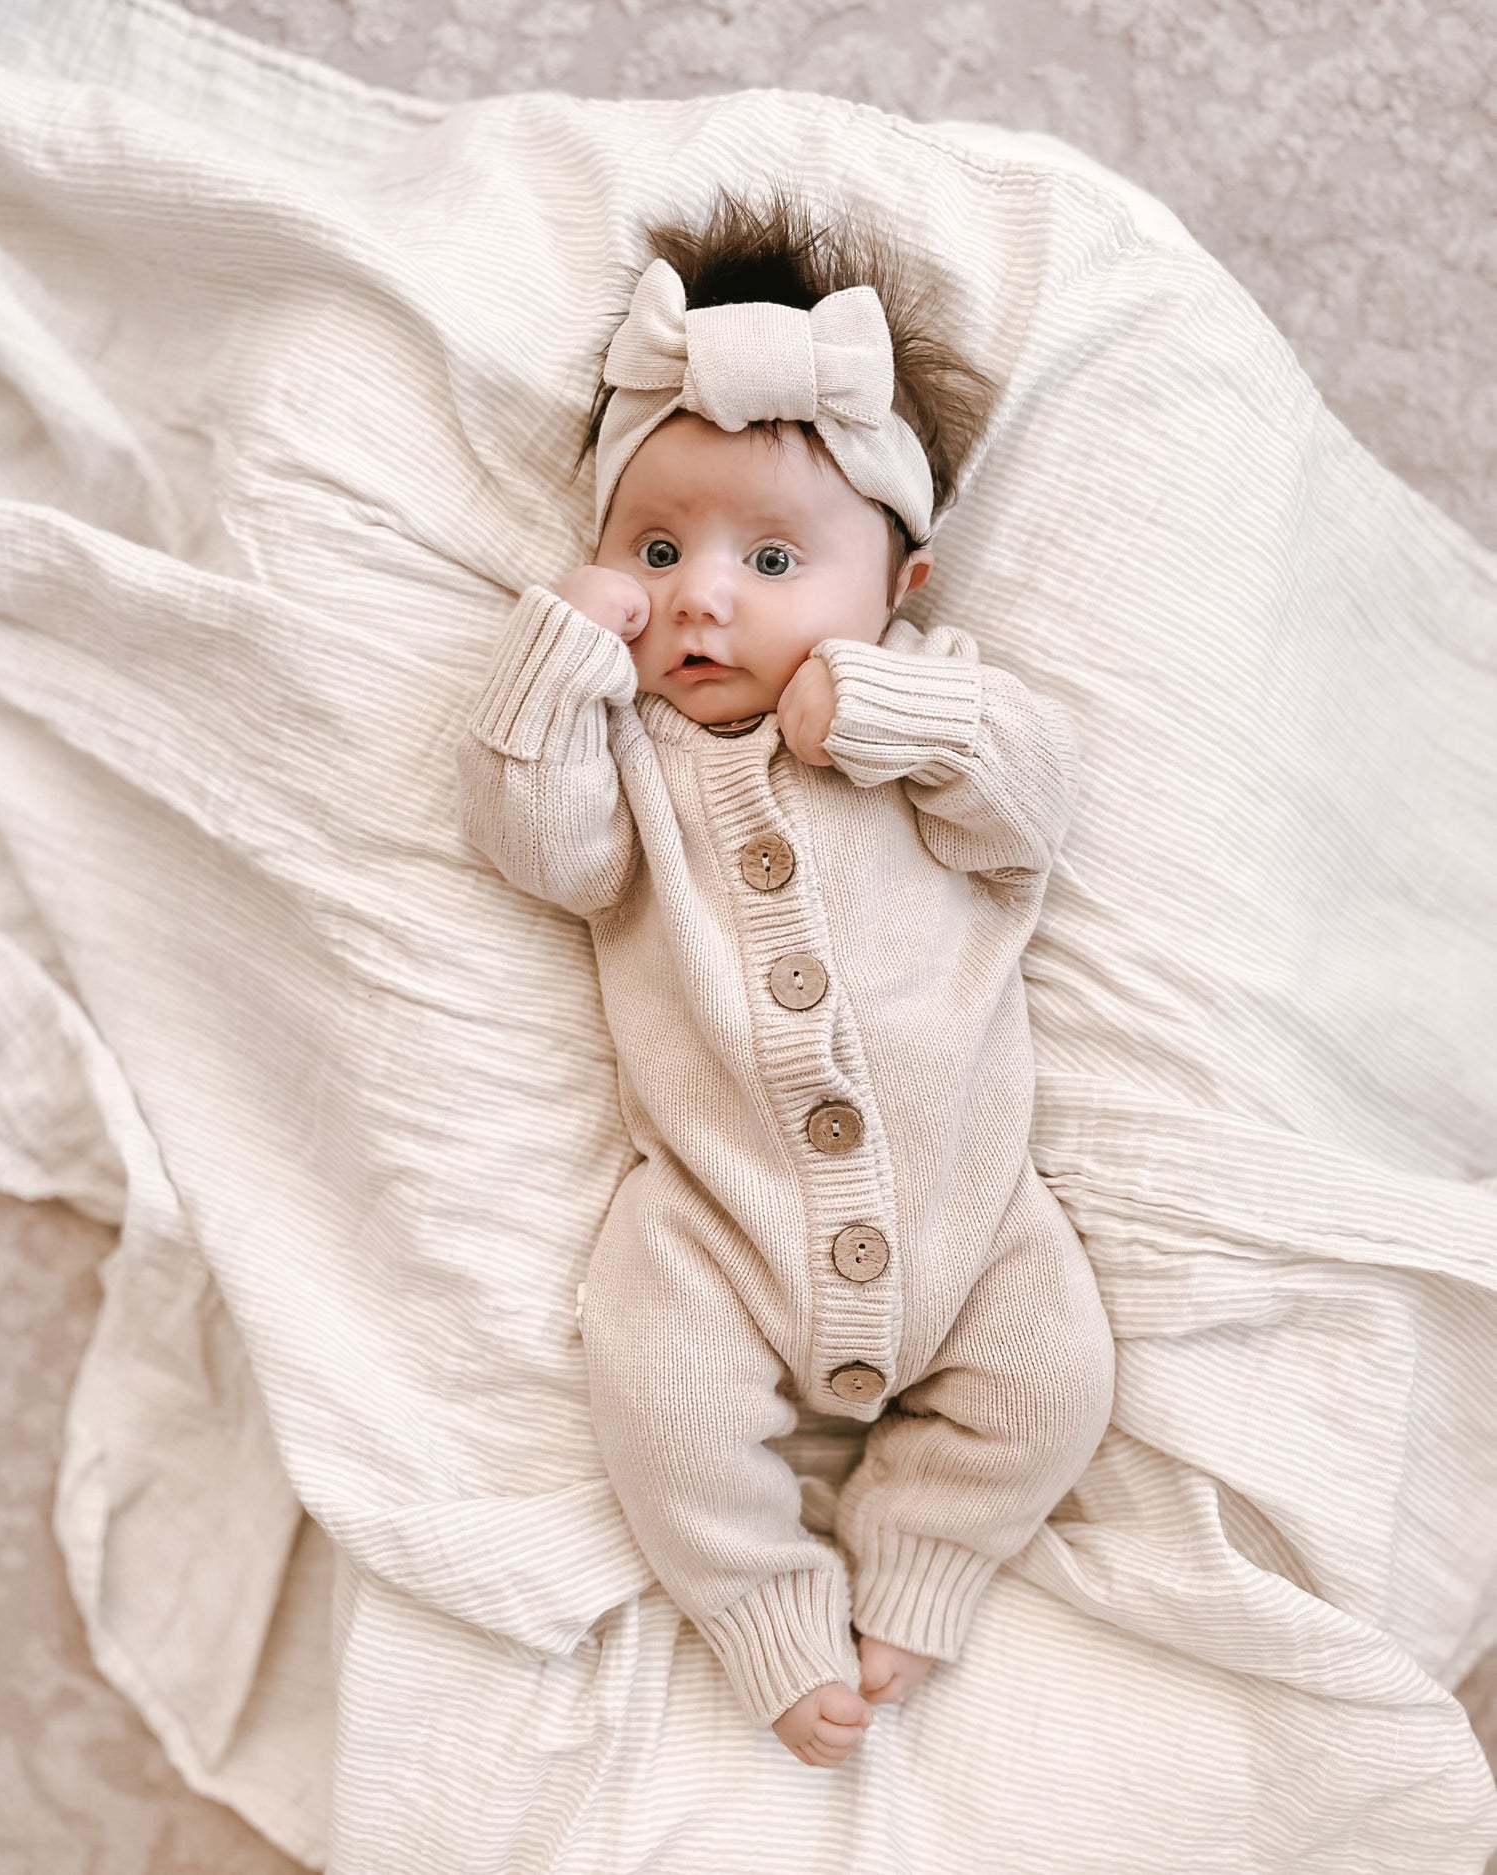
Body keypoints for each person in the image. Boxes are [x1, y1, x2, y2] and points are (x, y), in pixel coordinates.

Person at [455, 187, 1115, 1768]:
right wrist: (560, 660)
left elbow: (1037, 811)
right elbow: (541, 853)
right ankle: (759, 1606)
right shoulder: (638, 761)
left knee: (1055, 1381)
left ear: (902, 585)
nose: (702, 595)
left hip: (972, 1216)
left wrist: (893, 720)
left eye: (770, 555)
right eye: (656, 548)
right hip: (715, 1220)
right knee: (656, 1390)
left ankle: (924, 1556)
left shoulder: (936, 712)